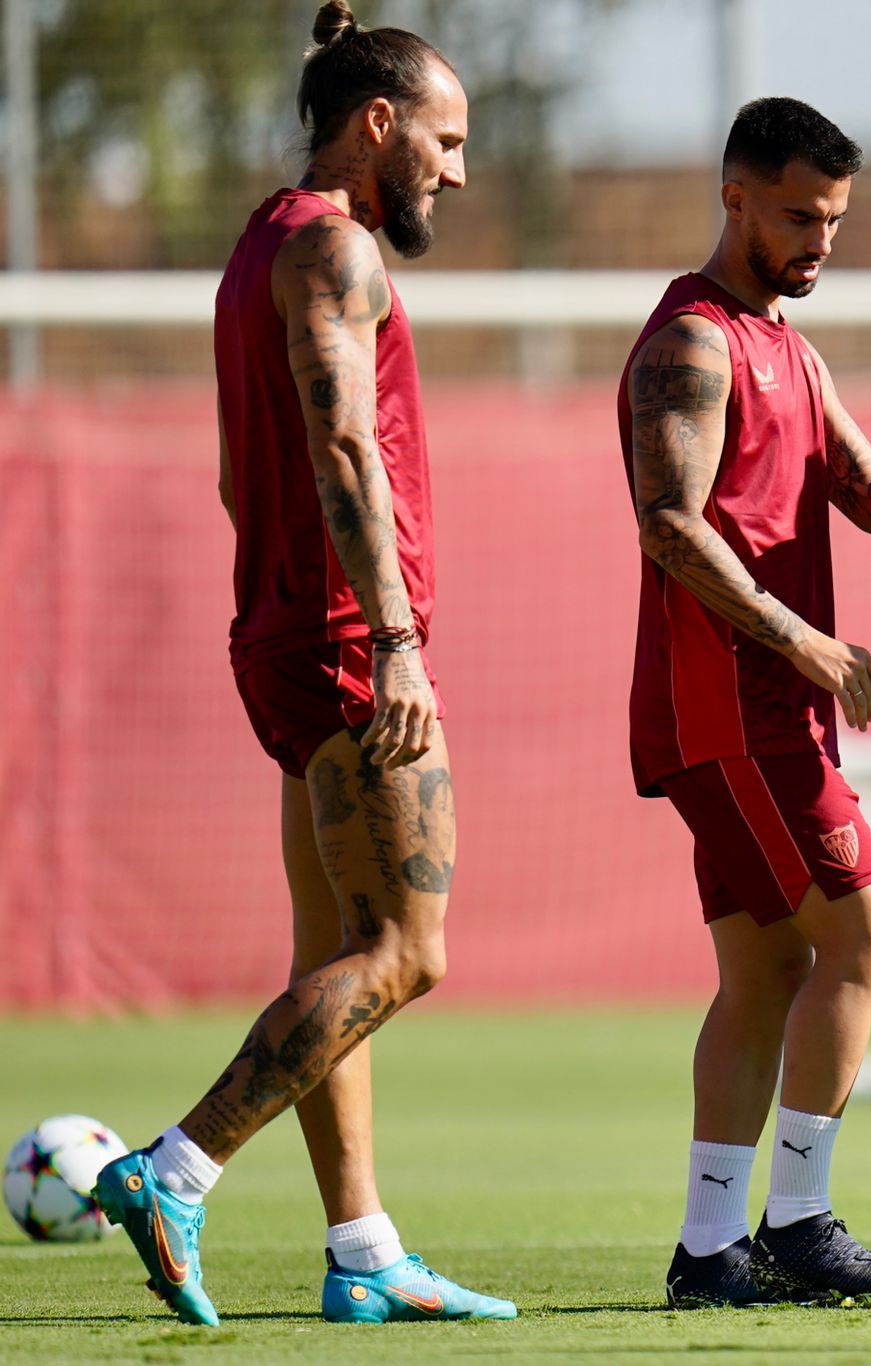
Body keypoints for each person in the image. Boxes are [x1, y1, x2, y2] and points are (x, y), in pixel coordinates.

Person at [93, 0, 513, 1327]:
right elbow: (343, 450)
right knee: (407, 949)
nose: (456, 168)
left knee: (334, 947)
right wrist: (391, 641)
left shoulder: (256, 246)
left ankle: (365, 1249)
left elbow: (238, 471)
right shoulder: (336, 249)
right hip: (344, 639)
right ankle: (176, 1168)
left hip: (278, 626)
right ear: (375, 124)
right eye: (444, 140)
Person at [619, 96, 871, 1309]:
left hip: (766, 705)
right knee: (869, 937)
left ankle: (710, 1251)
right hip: (732, 706)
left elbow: (867, 498)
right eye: (797, 215)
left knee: (767, 968)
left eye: (832, 218)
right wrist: (803, 641)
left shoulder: (788, 344)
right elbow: (670, 524)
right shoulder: (692, 343)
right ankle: (798, 1219)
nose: (819, 239)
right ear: (735, 199)